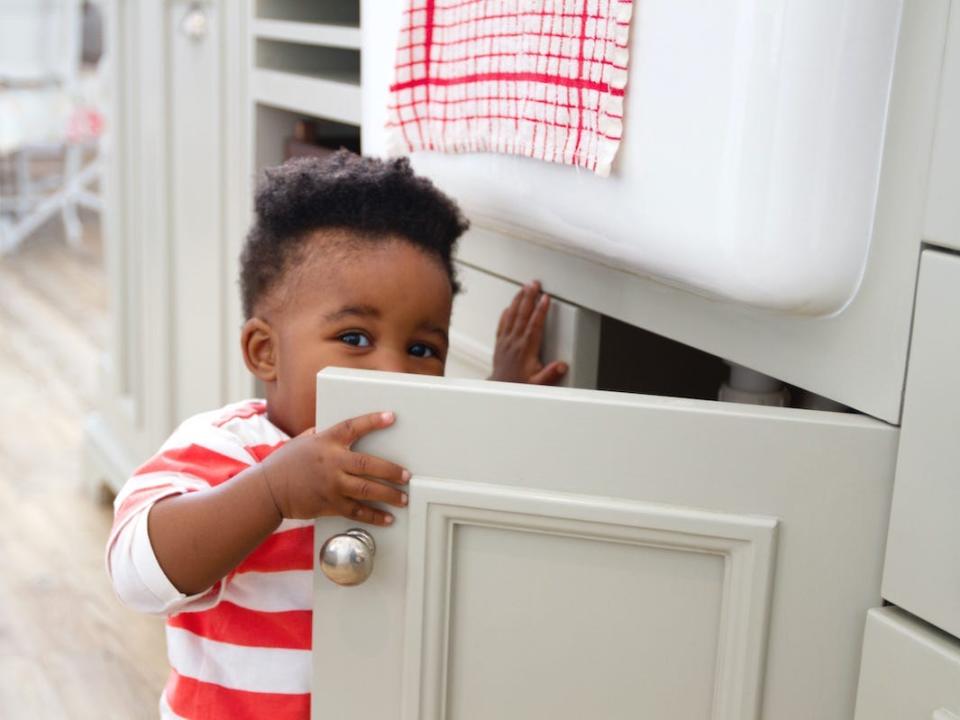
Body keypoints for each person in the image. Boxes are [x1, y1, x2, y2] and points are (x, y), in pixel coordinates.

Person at [106, 151, 568, 719]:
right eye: (354, 337)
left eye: (423, 349)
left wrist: (500, 399)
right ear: (265, 351)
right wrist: (271, 493)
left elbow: (478, 495)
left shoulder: (425, 448)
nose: (394, 373)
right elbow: (136, 576)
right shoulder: (227, 449)